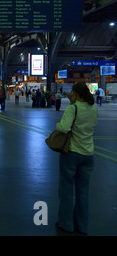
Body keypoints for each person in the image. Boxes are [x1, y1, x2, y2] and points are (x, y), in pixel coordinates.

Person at [55, 82, 98, 235]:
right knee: (83, 192)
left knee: (66, 190)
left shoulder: (72, 109)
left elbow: (64, 128)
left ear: (75, 92)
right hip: (88, 154)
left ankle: (66, 223)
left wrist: (58, 123)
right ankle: (82, 225)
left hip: (72, 153)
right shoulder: (93, 108)